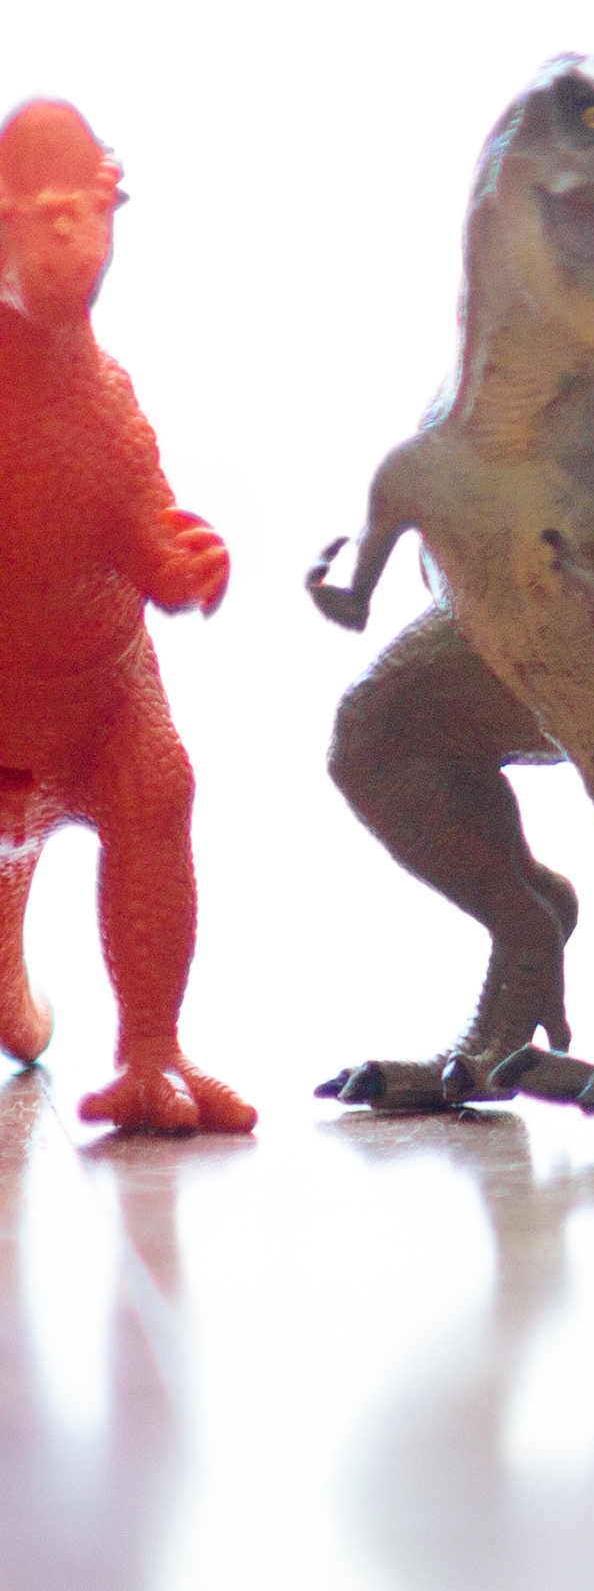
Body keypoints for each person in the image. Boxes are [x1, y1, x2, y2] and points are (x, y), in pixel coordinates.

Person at [0, 99, 246, 1134]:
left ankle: (152, 1049)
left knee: (161, 785)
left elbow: (144, 523)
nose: (67, 243)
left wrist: (179, 562)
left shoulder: (106, 400)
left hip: (103, 697)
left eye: (80, 215)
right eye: (40, 217)